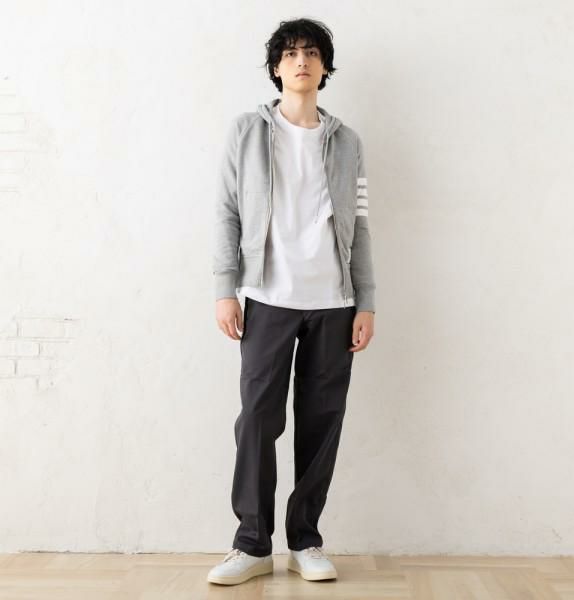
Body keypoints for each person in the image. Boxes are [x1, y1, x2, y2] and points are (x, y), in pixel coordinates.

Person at [207, 17, 376, 586]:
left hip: (333, 299)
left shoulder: (348, 142)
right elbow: (227, 212)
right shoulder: (248, 132)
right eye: (290, 53)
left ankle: (306, 540)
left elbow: (360, 225)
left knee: (322, 421)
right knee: (257, 419)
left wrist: (366, 300)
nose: (301, 61)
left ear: (324, 68)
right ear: (276, 67)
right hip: (267, 297)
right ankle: (251, 544)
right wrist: (225, 288)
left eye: (312, 53)